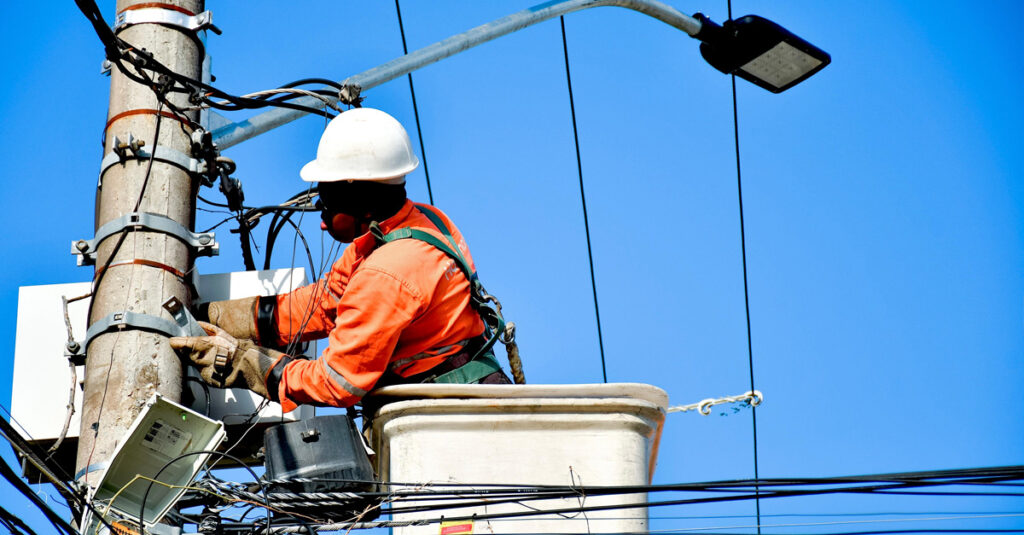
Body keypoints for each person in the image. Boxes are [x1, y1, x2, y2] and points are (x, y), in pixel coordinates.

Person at [170, 108, 511, 413]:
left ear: (357, 197)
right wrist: (215, 316)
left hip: (451, 417)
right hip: (474, 392)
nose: (321, 220)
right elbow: (326, 303)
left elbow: (337, 382)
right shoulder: (419, 222)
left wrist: (241, 361)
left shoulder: (386, 273)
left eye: (327, 204)